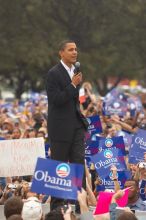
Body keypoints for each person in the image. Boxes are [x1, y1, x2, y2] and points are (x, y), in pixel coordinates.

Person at [46, 40, 88, 210]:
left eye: (76, 49)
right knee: (60, 167)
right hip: (60, 128)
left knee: (78, 164)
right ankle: (57, 206)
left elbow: (74, 101)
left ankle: (80, 204)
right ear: (61, 53)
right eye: (70, 50)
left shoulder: (75, 71)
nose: (74, 52)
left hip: (76, 125)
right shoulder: (53, 74)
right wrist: (72, 85)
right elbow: (56, 100)